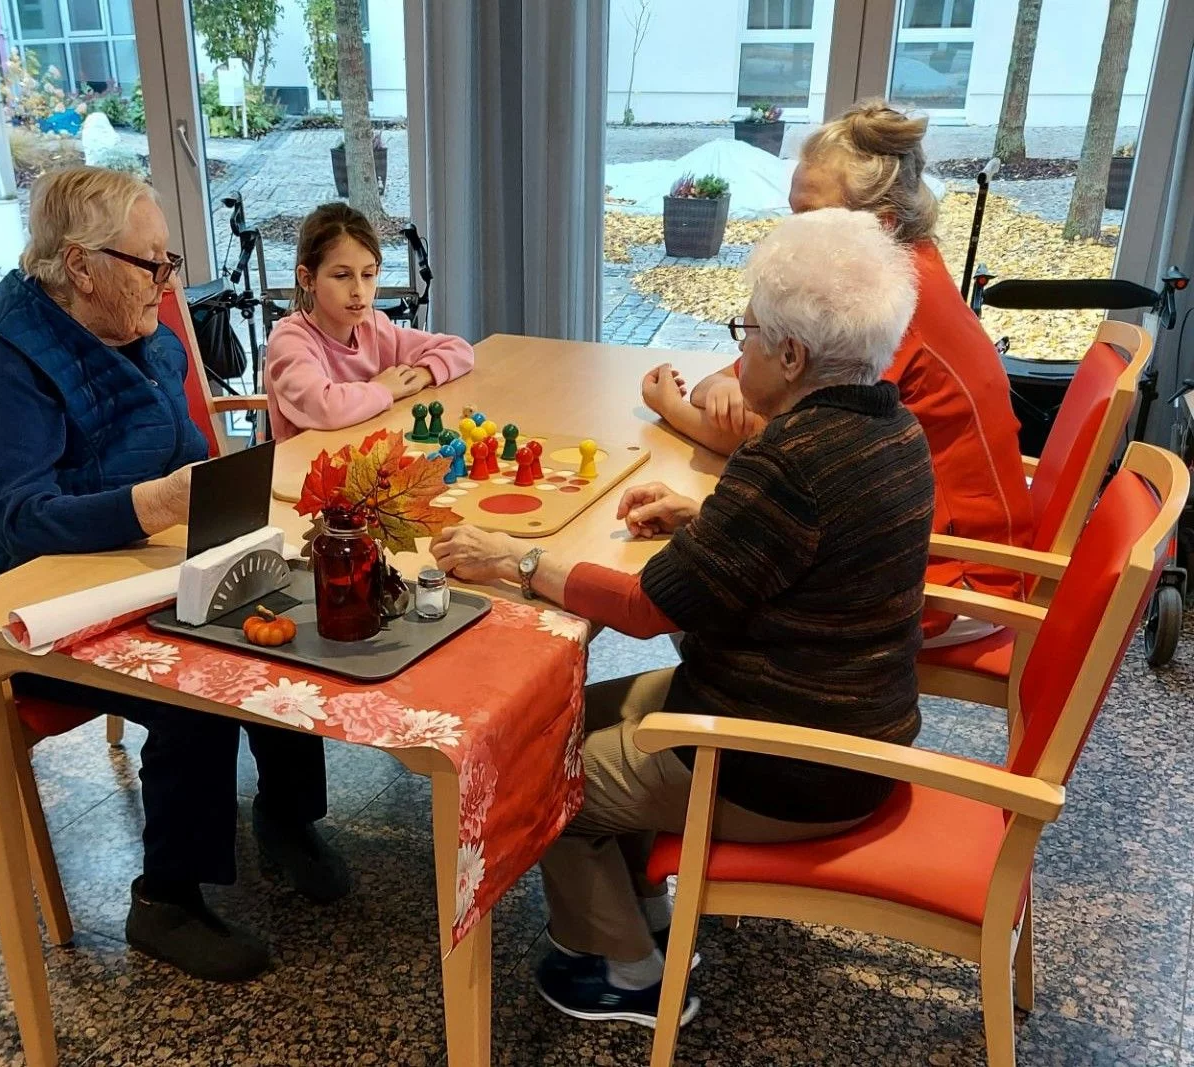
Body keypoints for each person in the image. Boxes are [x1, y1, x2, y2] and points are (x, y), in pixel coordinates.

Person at [433, 209, 935, 1028]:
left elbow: (646, 607)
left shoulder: (788, 460)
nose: (739, 352)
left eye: (749, 333)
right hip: (850, 730)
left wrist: (516, 560)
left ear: (793, 356)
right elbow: (800, 545)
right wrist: (708, 517)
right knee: (560, 716)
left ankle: (618, 967)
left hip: (789, 764)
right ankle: (646, 910)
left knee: (533, 766)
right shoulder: (889, 426)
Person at [0, 167, 346, 984]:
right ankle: (164, 899)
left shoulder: (133, 327)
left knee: (282, 610)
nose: (167, 282)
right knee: (195, 681)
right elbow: (19, 519)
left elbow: (176, 453)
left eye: (167, 260)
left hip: (130, 555)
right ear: (80, 266)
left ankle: (286, 816)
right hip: (26, 595)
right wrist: (158, 503)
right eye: (151, 264)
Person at [643, 101, 1032, 645]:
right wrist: (725, 385)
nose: (791, 234)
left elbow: (768, 438)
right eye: (792, 214)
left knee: (702, 605)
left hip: (953, 576)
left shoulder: (886, 311)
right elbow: (746, 381)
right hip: (905, 540)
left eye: (812, 218)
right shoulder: (894, 272)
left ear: (882, 224)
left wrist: (671, 406)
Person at [263, 202, 474, 440]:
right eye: (342, 276)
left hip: (368, 457)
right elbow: (325, 408)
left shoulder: (374, 326)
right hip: (307, 463)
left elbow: (459, 349)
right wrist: (384, 389)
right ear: (307, 279)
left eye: (368, 274)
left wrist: (421, 375)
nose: (359, 291)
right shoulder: (289, 341)